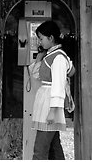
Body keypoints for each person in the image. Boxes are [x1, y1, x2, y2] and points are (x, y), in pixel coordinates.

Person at [29, 20, 75, 160]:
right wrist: (39, 58)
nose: (40, 42)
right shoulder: (50, 55)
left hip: (49, 107)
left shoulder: (59, 58)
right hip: (46, 104)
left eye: (41, 39)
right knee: (54, 148)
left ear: (51, 38)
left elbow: (58, 85)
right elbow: (37, 75)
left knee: (40, 150)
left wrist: (53, 111)